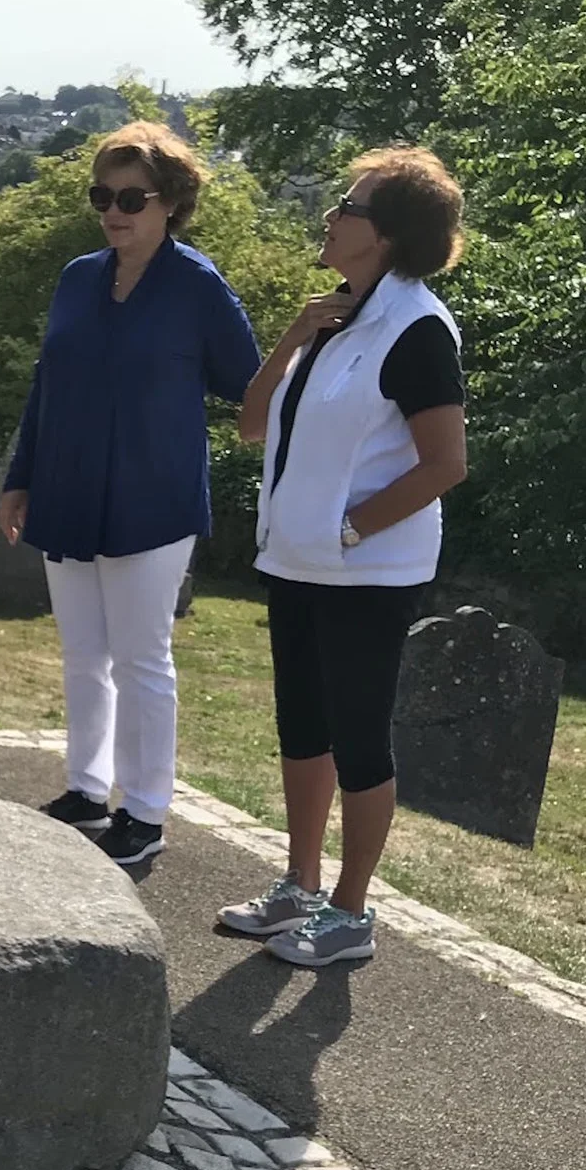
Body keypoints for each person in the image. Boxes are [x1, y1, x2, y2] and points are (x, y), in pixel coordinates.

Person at [218, 146, 471, 966]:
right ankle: (298, 885)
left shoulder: (418, 328)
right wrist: (294, 331)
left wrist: (351, 529)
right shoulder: (336, 318)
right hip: (295, 562)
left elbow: (446, 464)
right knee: (302, 730)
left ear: (390, 234)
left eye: (350, 205)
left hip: (364, 573)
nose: (332, 215)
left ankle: (352, 912)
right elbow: (253, 425)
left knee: (360, 738)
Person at [0, 123, 262, 869]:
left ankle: (143, 811)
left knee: (143, 656)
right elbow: (47, 383)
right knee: (83, 652)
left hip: (154, 497)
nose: (114, 211)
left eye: (131, 198)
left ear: (171, 203)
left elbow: (250, 388)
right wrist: (20, 478)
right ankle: (85, 789)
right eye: (102, 196)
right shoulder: (77, 277)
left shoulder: (197, 286)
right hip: (67, 486)